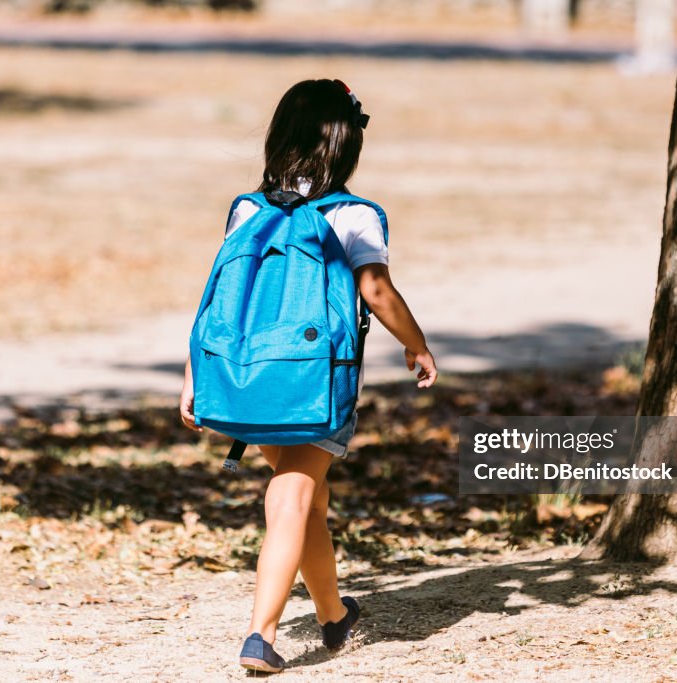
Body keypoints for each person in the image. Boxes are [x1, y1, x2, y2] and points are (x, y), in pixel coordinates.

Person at [179, 78, 438, 674]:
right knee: (294, 492)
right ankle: (260, 635)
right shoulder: (352, 215)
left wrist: (193, 374)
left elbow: (219, 299)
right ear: (348, 147)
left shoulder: (248, 209)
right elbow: (375, 290)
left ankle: (333, 616)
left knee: (309, 497)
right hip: (316, 382)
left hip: (249, 376)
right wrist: (416, 345)